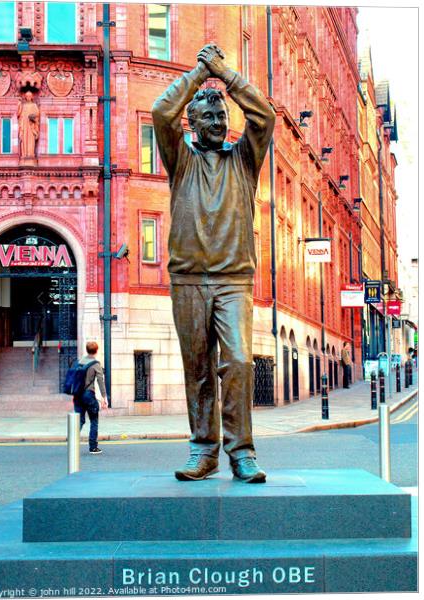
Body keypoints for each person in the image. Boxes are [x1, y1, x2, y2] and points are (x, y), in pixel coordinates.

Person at [152, 44, 275, 483]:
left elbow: (264, 116)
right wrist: (198, 73)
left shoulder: (244, 160)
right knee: (198, 368)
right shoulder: (180, 160)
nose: (220, 123)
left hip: (233, 279)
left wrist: (225, 74)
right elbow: (161, 112)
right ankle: (204, 451)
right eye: (211, 118)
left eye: (223, 117)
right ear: (195, 124)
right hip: (186, 279)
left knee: (239, 361)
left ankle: (241, 451)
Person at [74, 341, 108, 454]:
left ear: (87, 350)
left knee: (80, 420)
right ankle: (93, 447)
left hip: (78, 395)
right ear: (96, 351)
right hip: (89, 395)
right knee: (94, 420)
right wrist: (104, 397)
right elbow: (100, 381)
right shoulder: (95, 364)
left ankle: (73, 444)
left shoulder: (80, 362)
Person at [17, 91, 40, 158]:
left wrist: (33, 118)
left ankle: (31, 154)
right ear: (26, 97)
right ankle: (24, 154)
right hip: (24, 125)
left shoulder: (34, 105)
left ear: (32, 97)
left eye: (30, 96)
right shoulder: (23, 106)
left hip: (31, 125)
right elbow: (19, 115)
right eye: (27, 96)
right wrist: (19, 104)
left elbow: (37, 115)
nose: (28, 97)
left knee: (31, 140)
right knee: (24, 140)